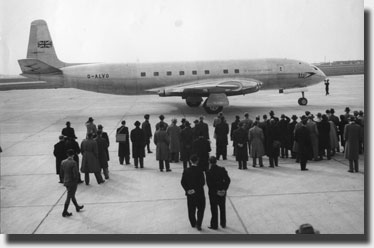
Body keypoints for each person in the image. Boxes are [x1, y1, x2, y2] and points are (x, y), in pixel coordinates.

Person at [181, 154, 206, 231]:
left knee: (191, 209)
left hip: (190, 194)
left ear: (190, 161)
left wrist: (187, 190)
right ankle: (199, 223)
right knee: (201, 209)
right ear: (197, 161)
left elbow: (183, 182)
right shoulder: (200, 170)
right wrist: (195, 189)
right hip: (199, 193)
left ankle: (193, 223)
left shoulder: (186, 170)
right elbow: (202, 182)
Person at [206, 156, 230, 230]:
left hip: (213, 194)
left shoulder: (208, 172)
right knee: (222, 208)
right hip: (222, 192)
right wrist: (224, 189)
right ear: (216, 162)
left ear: (209, 162)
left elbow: (209, 184)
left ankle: (214, 225)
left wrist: (216, 191)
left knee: (214, 209)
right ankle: (223, 223)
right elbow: (228, 180)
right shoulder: (222, 169)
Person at [60, 149, 84, 217]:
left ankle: (77, 207)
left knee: (71, 194)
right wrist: (76, 180)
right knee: (69, 196)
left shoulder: (63, 162)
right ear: (73, 155)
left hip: (66, 181)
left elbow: (61, 173)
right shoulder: (73, 162)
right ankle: (64, 211)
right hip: (72, 182)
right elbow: (75, 173)